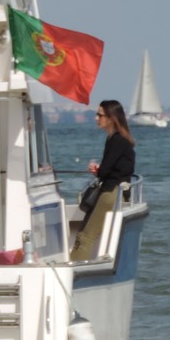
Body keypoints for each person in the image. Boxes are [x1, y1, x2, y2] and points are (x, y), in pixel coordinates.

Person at [70, 99, 135, 261]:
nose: (96, 118)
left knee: (86, 237)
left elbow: (106, 170)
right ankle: (73, 266)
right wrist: (100, 170)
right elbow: (114, 168)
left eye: (100, 115)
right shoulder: (115, 138)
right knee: (82, 235)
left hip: (111, 193)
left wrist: (99, 170)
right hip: (112, 190)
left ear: (111, 118)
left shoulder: (117, 140)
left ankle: (74, 271)